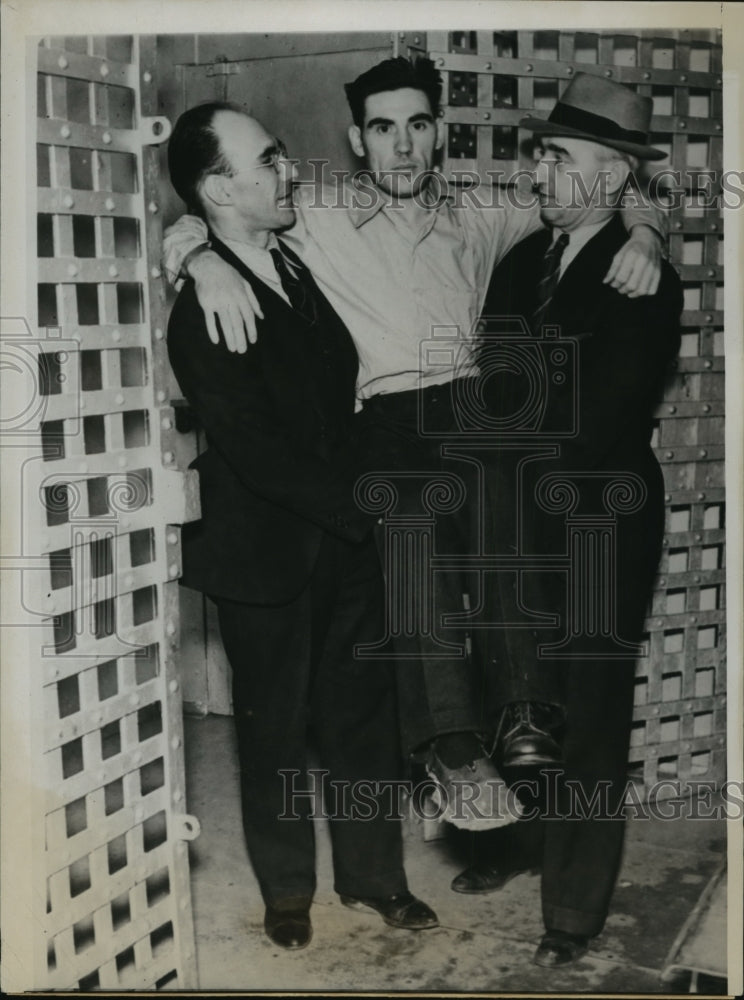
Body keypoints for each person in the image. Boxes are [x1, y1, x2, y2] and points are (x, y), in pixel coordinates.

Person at [163, 57, 666, 828]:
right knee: (415, 532)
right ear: (359, 142)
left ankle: (522, 715)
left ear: (440, 136)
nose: (402, 147)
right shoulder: (313, 212)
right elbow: (205, 205)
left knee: (503, 512)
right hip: (389, 416)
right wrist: (196, 259)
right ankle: (451, 747)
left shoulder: (484, 214)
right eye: (383, 129)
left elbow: (602, 187)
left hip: (470, 408)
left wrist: (649, 232)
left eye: (419, 126)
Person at [166, 102, 438, 951]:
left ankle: (375, 880)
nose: (291, 171)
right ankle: (288, 893)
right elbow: (254, 450)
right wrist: (359, 507)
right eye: (270, 160)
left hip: (345, 540)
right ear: (218, 187)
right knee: (274, 730)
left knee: (363, 720)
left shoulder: (291, 258)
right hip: (267, 552)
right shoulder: (203, 306)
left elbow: (336, 405)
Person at [451, 73, 683, 968]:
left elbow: (604, 416)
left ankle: (574, 914)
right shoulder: (519, 262)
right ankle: (517, 843)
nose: (538, 170)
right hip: (516, 513)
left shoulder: (641, 271)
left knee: (587, 717)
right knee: (516, 695)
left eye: (557, 156)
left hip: (596, 521)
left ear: (615, 175)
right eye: (540, 153)